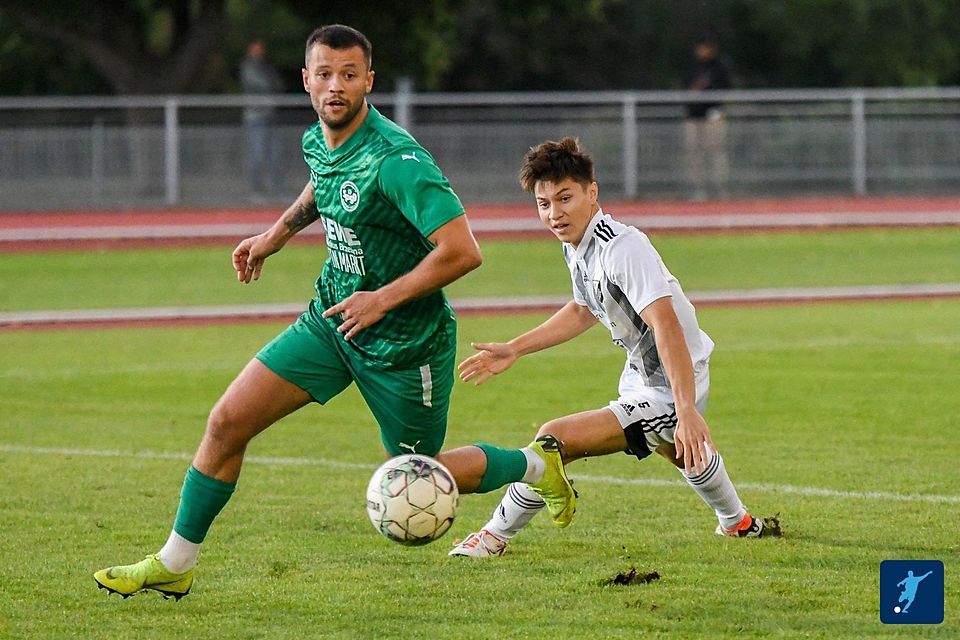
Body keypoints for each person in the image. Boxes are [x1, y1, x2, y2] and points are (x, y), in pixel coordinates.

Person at [93, 24, 575, 600]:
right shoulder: (316, 140)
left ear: (369, 80)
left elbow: (462, 252)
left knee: (423, 474)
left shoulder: (399, 160)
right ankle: (176, 562)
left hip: (404, 346)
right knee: (227, 422)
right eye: (324, 74)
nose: (335, 86)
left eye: (349, 75)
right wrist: (275, 235)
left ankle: (536, 468)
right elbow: (321, 186)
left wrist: (382, 299)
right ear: (305, 80)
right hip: (329, 321)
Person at [449, 137, 766, 558]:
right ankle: (739, 524)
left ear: (591, 193)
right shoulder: (578, 245)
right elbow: (583, 309)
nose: (554, 213)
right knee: (682, 452)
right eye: (543, 204)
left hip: (672, 380)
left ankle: (492, 537)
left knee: (552, 438)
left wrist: (686, 407)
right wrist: (516, 348)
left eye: (565, 198)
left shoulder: (622, 247)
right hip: (642, 373)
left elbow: (666, 324)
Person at [682, 37, 731, 201]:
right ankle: (699, 189)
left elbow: (724, 89)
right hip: (694, 116)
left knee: (716, 151)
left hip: (713, 116)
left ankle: (720, 188)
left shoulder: (719, 68)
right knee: (695, 153)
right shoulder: (692, 68)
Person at [240, 39, 284, 197]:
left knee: (275, 154)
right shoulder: (248, 67)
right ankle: (255, 190)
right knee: (256, 154)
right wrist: (270, 84)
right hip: (255, 116)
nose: (259, 52)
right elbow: (262, 84)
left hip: (270, 115)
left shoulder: (267, 67)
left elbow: (278, 84)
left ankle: (276, 189)